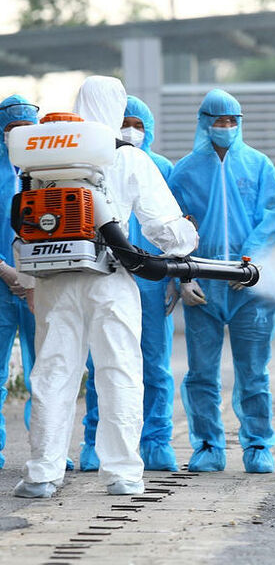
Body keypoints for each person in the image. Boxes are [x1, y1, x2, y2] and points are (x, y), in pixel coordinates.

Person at [14, 76, 197, 498]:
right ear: (117, 108)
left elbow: (26, 221)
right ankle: (123, 473)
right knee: (119, 371)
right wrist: (185, 241)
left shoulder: (43, 158)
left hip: (55, 280)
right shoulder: (127, 157)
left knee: (53, 373)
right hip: (111, 277)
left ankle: (42, 474)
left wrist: (31, 279)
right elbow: (164, 226)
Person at [168, 89, 275, 474]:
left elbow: (273, 215)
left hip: (249, 284)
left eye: (233, 120)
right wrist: (182, 278)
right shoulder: (185, 171)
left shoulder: (259, 164)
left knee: (254, 371)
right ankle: (208, 446)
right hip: (202, 282)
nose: (226, 127)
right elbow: (173, 228)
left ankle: (258, 445)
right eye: (219, 120)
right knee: (202, 372)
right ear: (204, 123)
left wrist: (248, 261)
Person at [80, 95, 179, 472]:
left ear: (149, 129)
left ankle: (156, 441)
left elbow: (175, 222)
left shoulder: (161, 167)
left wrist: (176, 277)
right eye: (126, 123)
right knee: (102, 362)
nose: (132, 131)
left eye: (139, 125)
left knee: (155, 365)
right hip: (107, 273)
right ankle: (94, 441)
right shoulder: (95, 161)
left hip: (152, 280)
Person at [0, 95, 38, 469]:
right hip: (1, 283)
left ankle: (47, 448)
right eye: (13, 128)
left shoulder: (48, 171)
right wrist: (5, 269)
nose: (20, 134)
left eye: (27, 128)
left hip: (40, 285)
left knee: (44, 371)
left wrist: (31, 275)